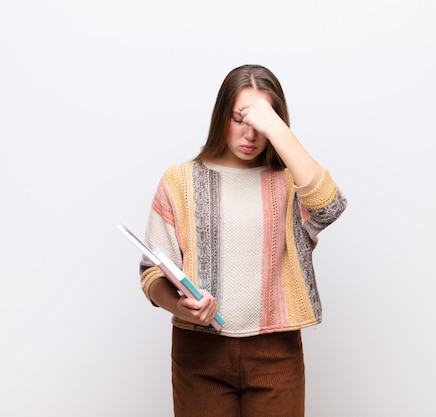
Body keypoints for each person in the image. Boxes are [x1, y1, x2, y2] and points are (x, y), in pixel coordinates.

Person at [139, 64, 347, 417]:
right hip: (198, 352)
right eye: (240, 118)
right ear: (221, 116)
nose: (250, 134)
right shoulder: (178, 181)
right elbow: (151, 273)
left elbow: (330, 206)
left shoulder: (290, 183)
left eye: (261, 123)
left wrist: (278, 130)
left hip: (275, 352)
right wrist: (180, 307)